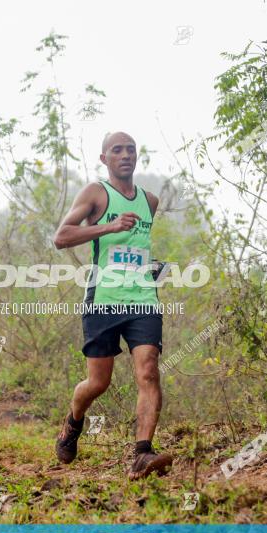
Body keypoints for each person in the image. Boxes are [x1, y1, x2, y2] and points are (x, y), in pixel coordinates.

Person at [52, 131, 173, 480]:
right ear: (104, 158)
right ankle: (73, 423)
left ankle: (142, 453)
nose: (125, 155)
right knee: (98, 382)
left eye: (131, 150)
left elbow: (135, 246)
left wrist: (151, 267)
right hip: (103, 298)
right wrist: (109, 226)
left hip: (142, 298)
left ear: (137, 156)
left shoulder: (150, 201)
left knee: (148, 370)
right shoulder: (95, 193)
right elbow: (61, 237)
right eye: (117, 150)